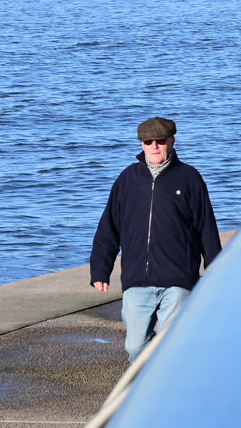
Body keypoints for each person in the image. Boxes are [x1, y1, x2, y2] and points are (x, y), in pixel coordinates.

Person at [89, 117, 223, 361]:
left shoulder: (189, 178)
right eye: (147, 141)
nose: (154, 146)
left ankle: (166, 392)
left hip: (179, 278)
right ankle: (151, 382)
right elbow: (109, 228)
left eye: (160, 141)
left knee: (171, 343)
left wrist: (214, 268)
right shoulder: (127, 180)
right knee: (136, 348)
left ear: (171, 141)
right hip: (136, 280)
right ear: (141, 144)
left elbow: (207, 228)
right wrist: (100, 270)